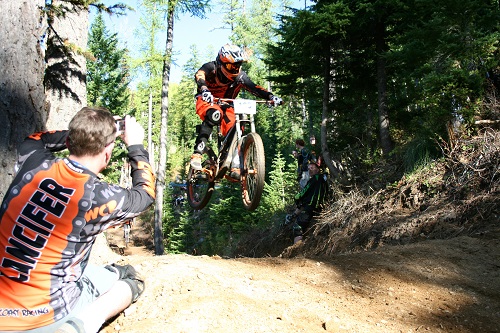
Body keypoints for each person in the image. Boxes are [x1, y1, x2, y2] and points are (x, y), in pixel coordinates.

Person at [0, 107, 156, 333]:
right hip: (44, 316)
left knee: (92, 271)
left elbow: (37, 139)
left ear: (70, 142)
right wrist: (135, 146)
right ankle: (78, 326)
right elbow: (145, 194)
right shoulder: (99, 197)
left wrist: (85, 133)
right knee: (131, 279)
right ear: (107, 152)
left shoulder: (32, 161)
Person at [190, 44, 283, 179]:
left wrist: (271, 96)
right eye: (230, 66)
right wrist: (204, 89)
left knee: (237, 123)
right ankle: (197, 154)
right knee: (214, 115)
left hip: (226, 105)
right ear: (221, 63)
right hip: (207, 101)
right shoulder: (211, 68)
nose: (234, 69)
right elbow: (200, 74)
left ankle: (234, 161)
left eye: (237, 65)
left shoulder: (239, 76)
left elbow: (254, 88)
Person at [285, 162, 327, 244]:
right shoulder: (323, 179)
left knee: (297, 227)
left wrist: (296, 197)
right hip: (321, 207)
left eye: (312, 168)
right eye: (309, 168)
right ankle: (293, 216)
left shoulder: (314, 179)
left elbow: (303, 193)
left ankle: (296, 249)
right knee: (302, 205)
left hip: (311, 207)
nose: (309, 170)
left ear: (318, 169)